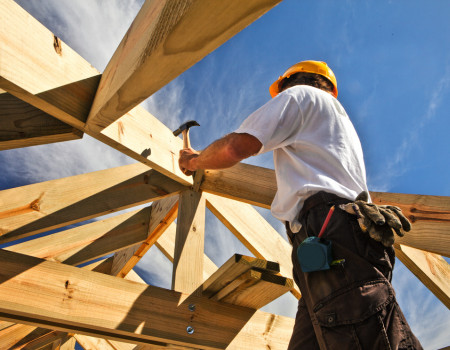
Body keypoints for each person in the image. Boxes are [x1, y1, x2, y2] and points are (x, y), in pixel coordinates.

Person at [178, 60, 422, 349]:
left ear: (289, 83)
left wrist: (194, 161)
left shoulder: (300, 97)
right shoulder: (334, 122)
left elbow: (236, 146)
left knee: (363, 336)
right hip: (331, 242)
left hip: (330, 233)